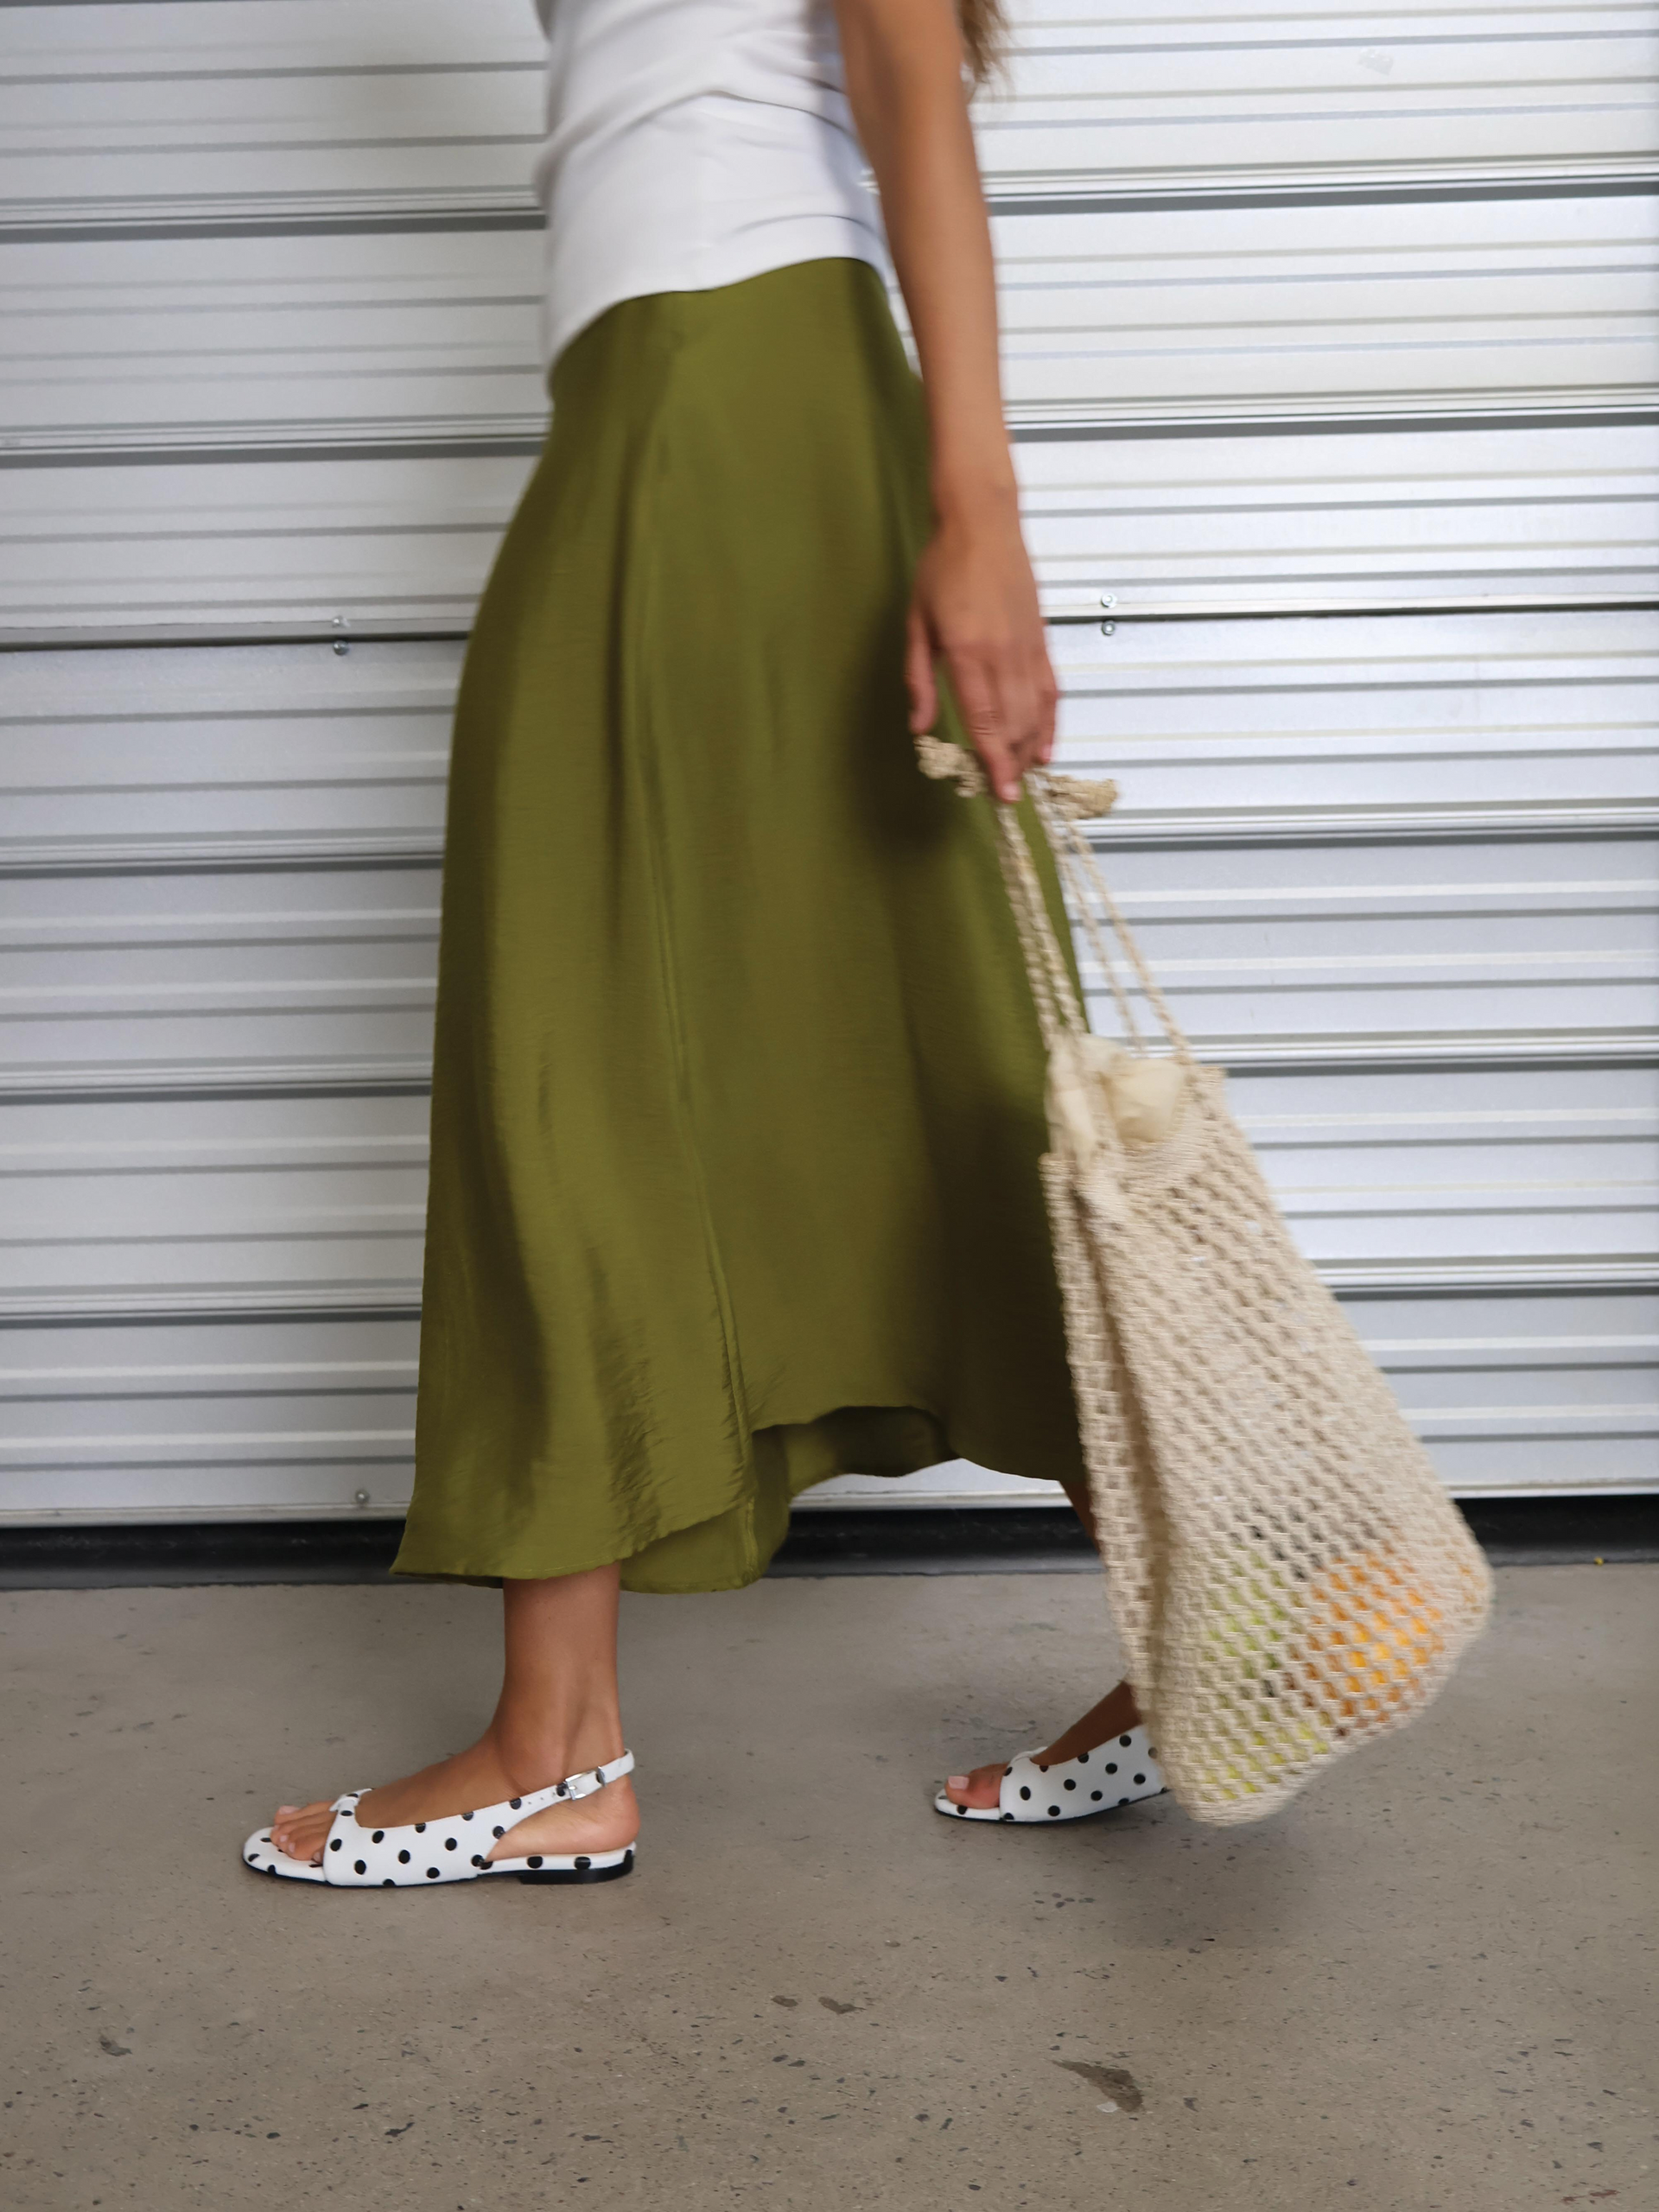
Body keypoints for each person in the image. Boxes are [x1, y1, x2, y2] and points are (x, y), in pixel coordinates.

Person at [246, 0, 1156, 1891]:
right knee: (911, 1024)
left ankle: (553, 1744)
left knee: (572, 1013)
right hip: (691, 394)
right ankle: (1243, 1605)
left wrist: (980, 512)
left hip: (727, 381)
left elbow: (904, 61)